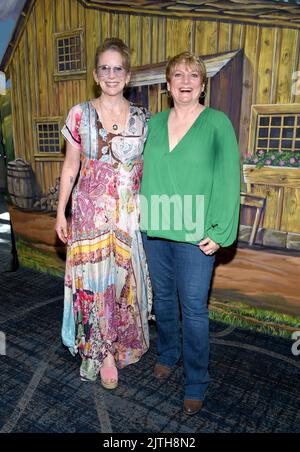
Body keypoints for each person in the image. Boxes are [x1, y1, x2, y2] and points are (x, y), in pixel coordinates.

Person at [140, 51, 240, 415]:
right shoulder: (152, 123)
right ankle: (168, 352)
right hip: (155, 225)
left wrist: (221, 230)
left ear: (202, 84)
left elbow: (229, 178)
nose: (185, 81)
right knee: (163, 300)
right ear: (168, 85)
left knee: (194, 308)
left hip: (197, 233)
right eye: (178, 75)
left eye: (193, 75)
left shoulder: (217, 123)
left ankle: (197, 380)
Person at [55, 38, 150, 389]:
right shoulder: (79, 114)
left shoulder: (142, 119)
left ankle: (121, 340)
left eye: (118, 68)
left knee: (122, 282)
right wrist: (60, 212)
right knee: (94, 283)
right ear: (96, 75)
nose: (112, 75)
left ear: (128, 75)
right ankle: (103, 351)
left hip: (127, 216)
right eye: (105, 68)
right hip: (88, 214)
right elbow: (70, 166)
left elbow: (147, 168)